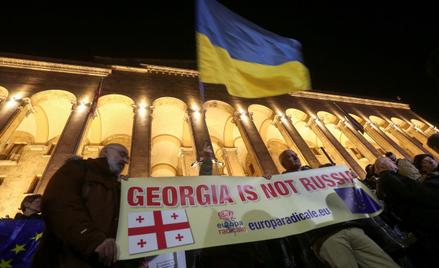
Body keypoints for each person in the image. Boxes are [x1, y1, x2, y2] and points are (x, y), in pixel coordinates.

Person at [276, 150, 399, 268]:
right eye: (290, 156)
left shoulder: (319, 176)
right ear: (283, 164)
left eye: (295, 154)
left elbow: (344, 197)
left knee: (384, 263)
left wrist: (349, 180)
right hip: (325, 235)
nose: (296, 157)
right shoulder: (283, 183)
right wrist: (264, 182)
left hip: (351, 227)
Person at [31, 143, 130, 267]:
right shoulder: (76, 168)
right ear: (105, 151)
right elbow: (59, 205)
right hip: (67, 260)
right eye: (122, 154)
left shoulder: (119, 185)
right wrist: (93, 240)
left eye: (127, 158)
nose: (125, 161)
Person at [374, 157, 439, 247]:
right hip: (426, 218)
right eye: (389, 161)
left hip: (417, 221)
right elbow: (414, 193)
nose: (393, 162)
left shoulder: (383, 180)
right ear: (382, 166)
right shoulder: (388, 176)